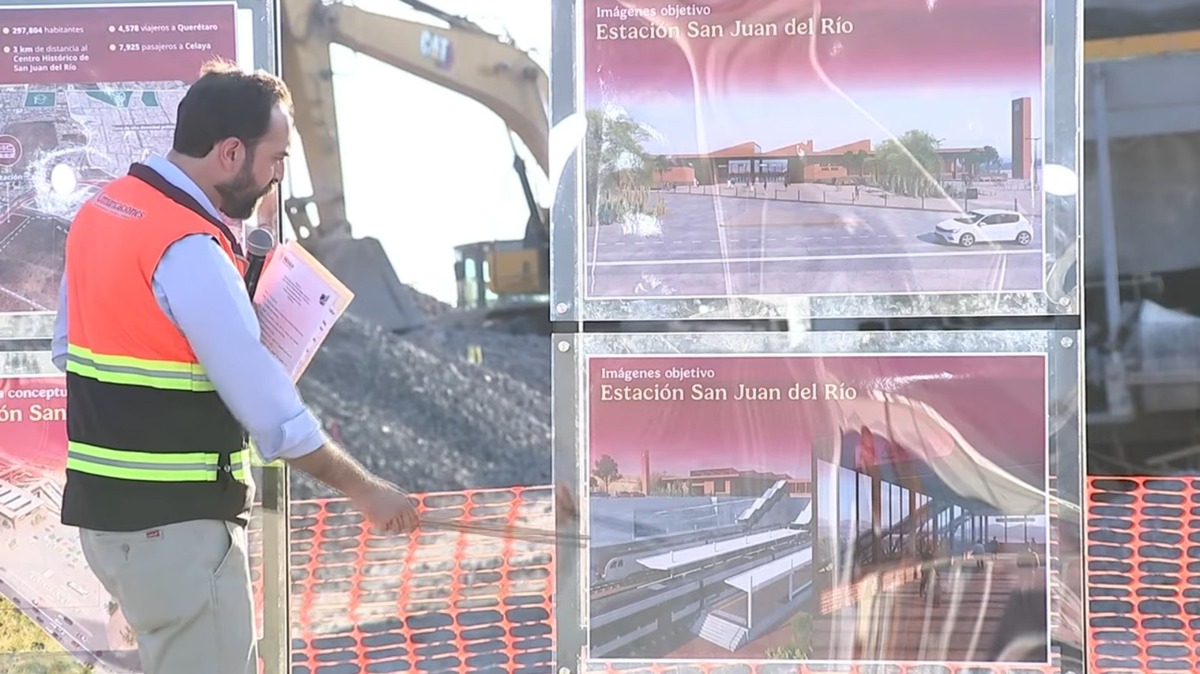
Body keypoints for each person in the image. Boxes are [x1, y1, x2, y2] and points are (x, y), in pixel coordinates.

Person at [51, 60, 419, 674]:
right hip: (178, 532)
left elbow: (74, 347)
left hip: (107, 523)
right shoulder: (190, 249)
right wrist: (366, 490)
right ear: (229, 153)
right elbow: (274, 419)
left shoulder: (104, 213)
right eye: (275, 160)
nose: (276, 180)